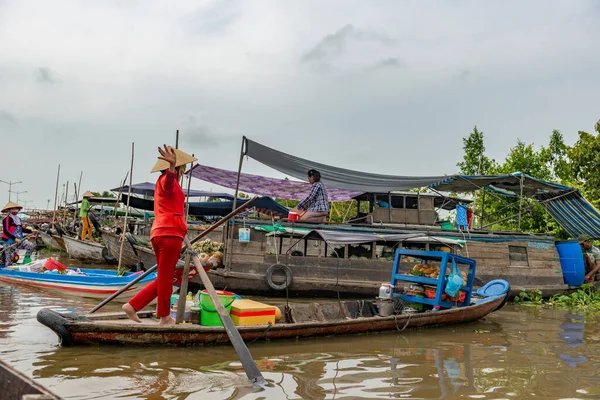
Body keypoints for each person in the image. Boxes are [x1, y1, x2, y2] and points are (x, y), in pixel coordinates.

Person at [122, 145, 197, 325]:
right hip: (169, 234)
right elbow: (169, 183)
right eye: (183, 168)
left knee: (165, 277)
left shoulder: (162, 184)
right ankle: (164, 316)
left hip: (163, 232)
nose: (183, 172)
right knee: (166, 277)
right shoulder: (165, 181)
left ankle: (133, 306)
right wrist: (171, 168)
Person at [1, 202, 35, 267]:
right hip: (9, 242)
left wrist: (31, 231)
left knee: (30, 245)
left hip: (19, 240)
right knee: (9, 261)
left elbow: (21, 229)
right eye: (13, 209)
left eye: (16, 209)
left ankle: (26, 260)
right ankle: (7, 272)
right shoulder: (6, 219)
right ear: (9, 210)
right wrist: (15, 238)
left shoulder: (18, 219)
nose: (15, 210)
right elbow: (6, 231)